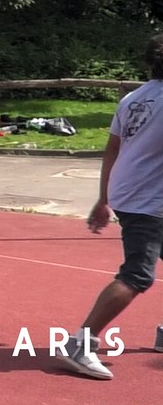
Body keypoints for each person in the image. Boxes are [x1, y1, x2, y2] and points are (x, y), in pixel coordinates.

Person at [56, 33, 163, 380]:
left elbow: (112, 149)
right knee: (138, 274)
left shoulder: (134, 98)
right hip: (149, 200)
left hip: (133, 193)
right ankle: (80, 343)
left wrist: (104, 199)